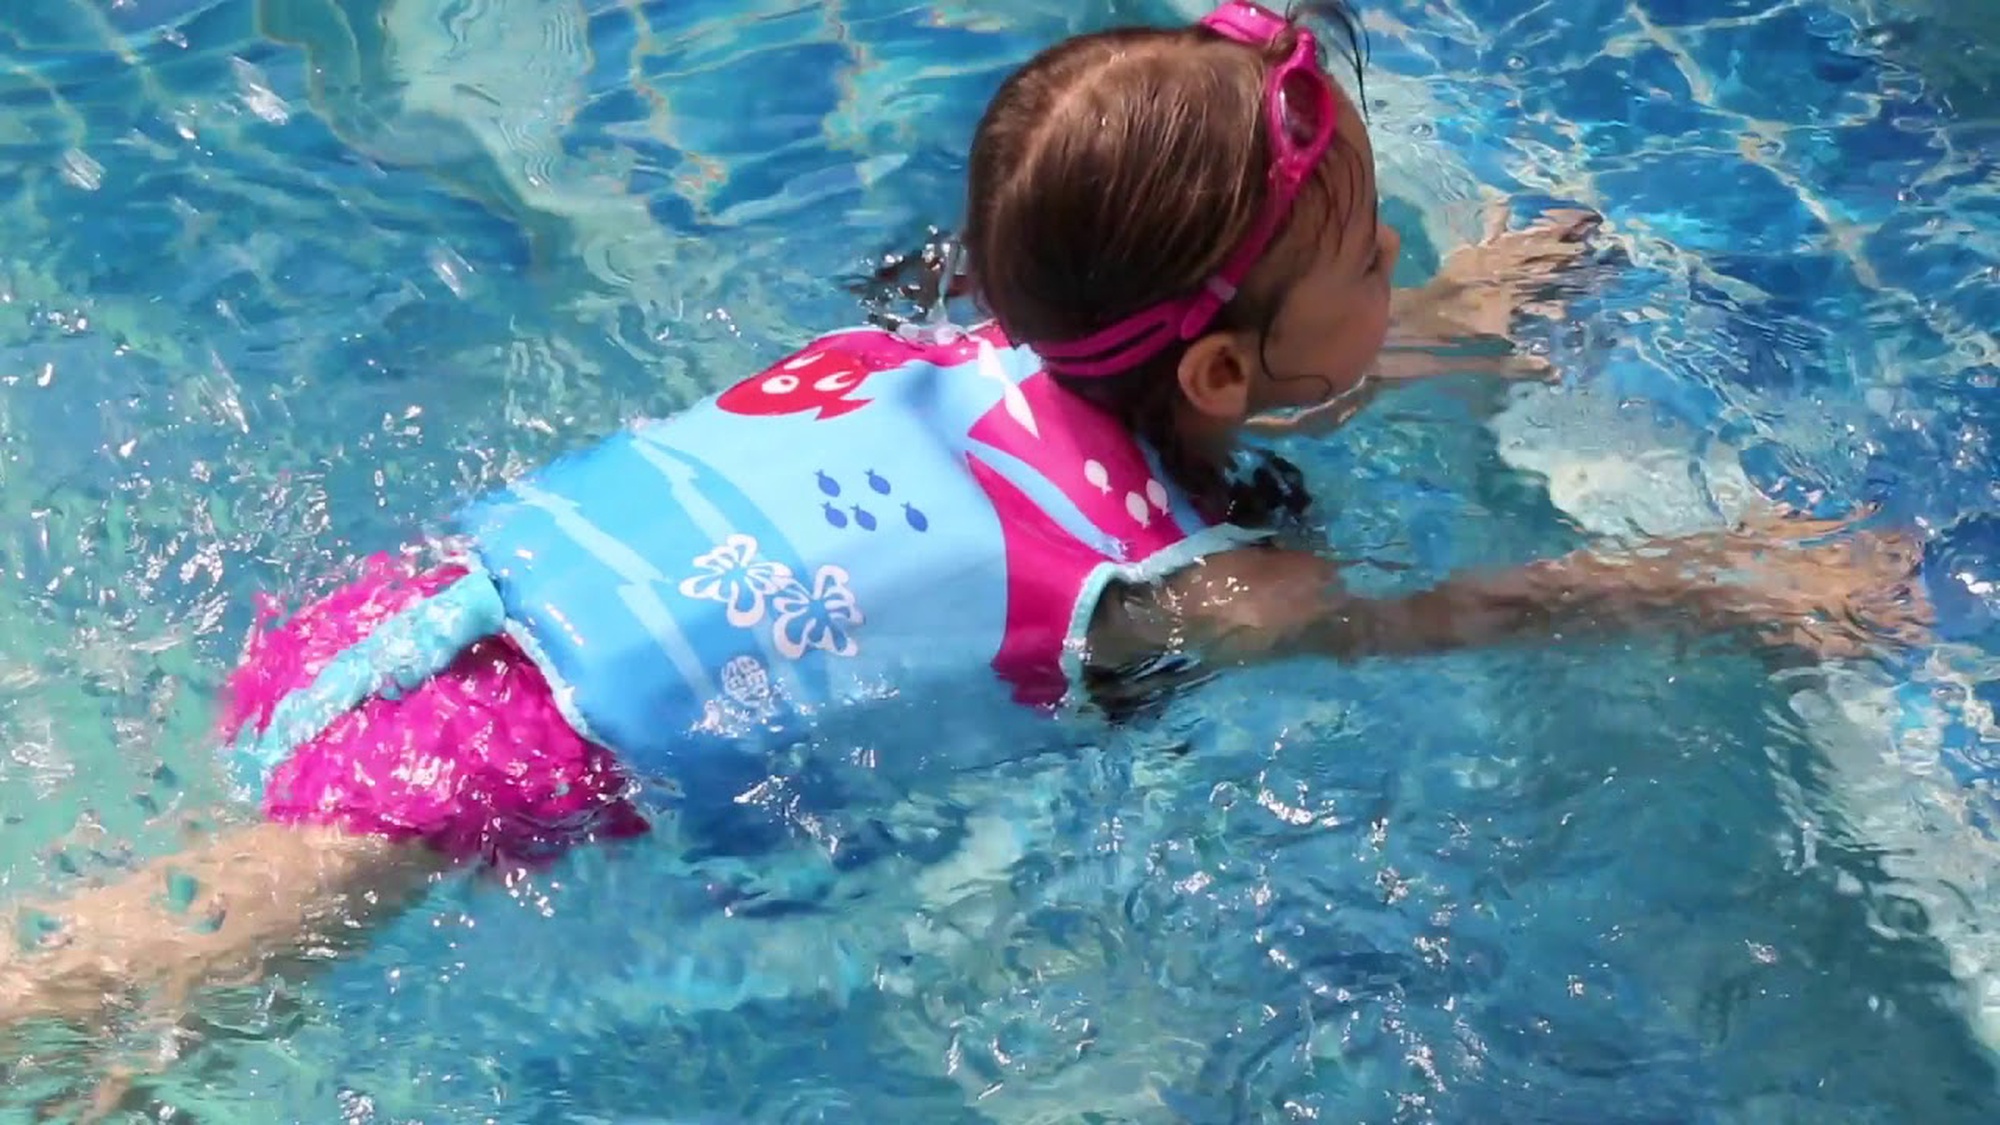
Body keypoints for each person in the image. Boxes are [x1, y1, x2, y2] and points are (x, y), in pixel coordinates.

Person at [0, 0, 1921, 1033]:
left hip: (442, 591)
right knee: (155, 957)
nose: (1390, 266)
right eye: (1371, 259)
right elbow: (1464, 612)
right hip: (517, 747)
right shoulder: (1219, 587)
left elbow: (1231, 374)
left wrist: (1450, 320)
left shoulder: (972, 328)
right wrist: (1722, 588)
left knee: (186, 898)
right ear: (1221, 370)